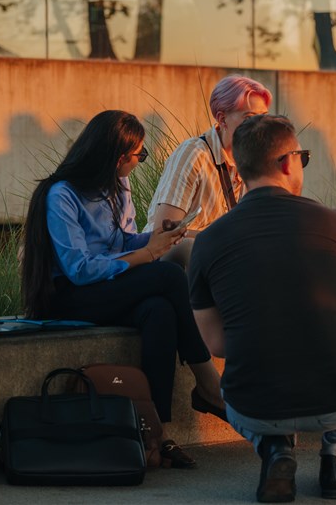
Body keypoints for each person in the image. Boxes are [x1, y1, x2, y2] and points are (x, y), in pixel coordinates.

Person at [189, 115, 336, 502]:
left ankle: (274, 448)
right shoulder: (332, 222)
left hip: (252, 409)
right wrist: (325, 307)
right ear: (287, 163)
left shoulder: (209, 241)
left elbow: (217, 344)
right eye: (302, 156)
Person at [21, 109, 226, 469]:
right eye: (139, 156)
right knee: (169, 278)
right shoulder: (61, 195)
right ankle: (208, 382)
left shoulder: (118, 187)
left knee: (160, 311)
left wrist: (156, 238)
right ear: (118, 157)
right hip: (69, 296)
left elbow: (121, 241)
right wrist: (147, 255)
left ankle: (156, 434)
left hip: (108, 288)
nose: (139, 163)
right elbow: (79, 270)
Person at [144, 75, 271, 267]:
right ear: (222, 119)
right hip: (172, 261)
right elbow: (163, 231)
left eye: (264, 117)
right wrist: (226, 237)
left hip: (220, 260)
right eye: (250, 118)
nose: (259, 126)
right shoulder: (195, 153)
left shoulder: (255, 161)